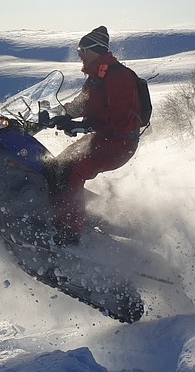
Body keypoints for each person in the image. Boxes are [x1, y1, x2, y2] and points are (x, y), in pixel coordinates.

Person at [44, 26, 143, 245]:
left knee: (71, 171)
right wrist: (56, 115)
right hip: (100, 139)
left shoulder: (119, 76)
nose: (79, 54)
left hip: (119, 143)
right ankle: (69, 212)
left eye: (82, 49)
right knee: (55, 166)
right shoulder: (96, 77)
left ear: (94, 50)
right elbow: (81, 104)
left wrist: (88, 124)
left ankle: (69, 233)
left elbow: (123, 119)